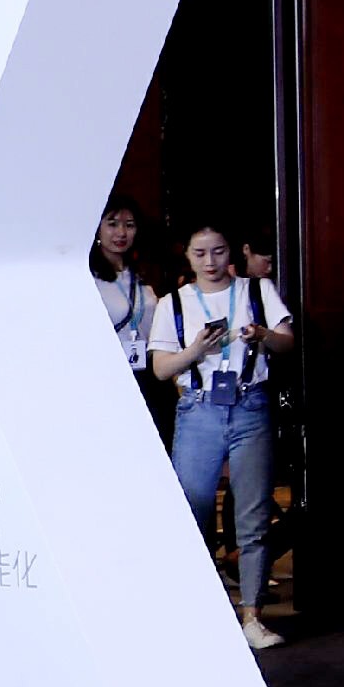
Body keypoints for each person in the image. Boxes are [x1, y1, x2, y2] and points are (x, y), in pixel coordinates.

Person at [151, 223, 294, 649]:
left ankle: (252, 616)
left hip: (250, 404)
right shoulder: (173, 303)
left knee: (252, 518)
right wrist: (197, 349)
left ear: (232, 252)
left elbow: (287, 343)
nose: (210, 261)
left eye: (218, 251)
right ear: (187, 256)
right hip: (198, 409)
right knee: (193, 514)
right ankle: (201, 614)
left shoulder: (257, 290)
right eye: (200, 253)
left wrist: (263, 334)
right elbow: (161, 368)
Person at [91, 201, 154, 395]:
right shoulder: (88, 278)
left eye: (129, 225)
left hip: (147, 372)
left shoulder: (141, 274)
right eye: (112, 224)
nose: (121, 232)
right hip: (106, 374)